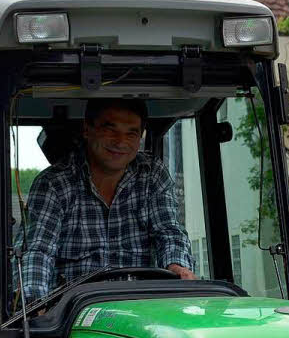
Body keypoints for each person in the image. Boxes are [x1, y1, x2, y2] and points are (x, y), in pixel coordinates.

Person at [17, 98, 195, 301]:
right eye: (111, 129)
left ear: (139, 138)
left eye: (131, 133)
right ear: (87, 129)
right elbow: (38, 251)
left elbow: (168, 231)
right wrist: (35, 303)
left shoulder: (152, 175)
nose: (121, 141)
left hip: (143, 308)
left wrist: (176, 265)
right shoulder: (54, 183)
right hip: (74, 314)